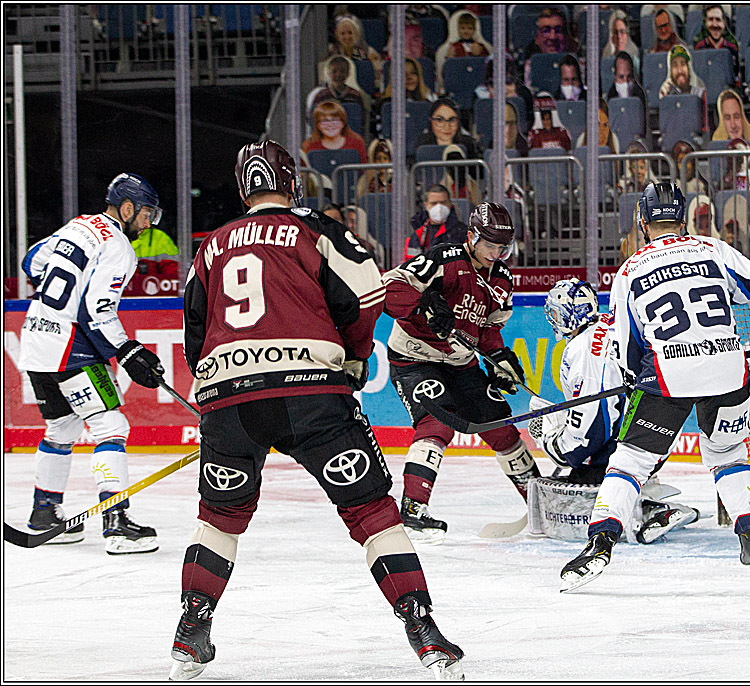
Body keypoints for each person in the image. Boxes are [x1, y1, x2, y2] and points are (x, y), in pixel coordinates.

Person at [173, 140, 463, 681]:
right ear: (292, 181)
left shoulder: (209, 245)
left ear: (244, 188)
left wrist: (220, 394)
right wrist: (353, 362)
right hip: (312, 393)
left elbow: (194, 333)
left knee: (219, 520)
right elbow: (367, 299)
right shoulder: (316, 229)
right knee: (373, 512)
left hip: (228, 399)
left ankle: (190, 632)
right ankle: (423, 632)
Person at [559, 182, 750, 592]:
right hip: (728, 369)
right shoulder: (713, 250)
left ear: (642, 220)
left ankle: (600, 543)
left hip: (668, 377)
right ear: (682, 217)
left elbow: (624, 342)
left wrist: (634, 377)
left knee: (631, 460)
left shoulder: (631, 269)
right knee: (726, 453)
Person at [17, 173, 164, 553]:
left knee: (61, 426)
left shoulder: (79, 225)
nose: (149, 223)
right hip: (70, 346)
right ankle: (116, 523)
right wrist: (127, 350)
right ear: (127, 208)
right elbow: (96, 311)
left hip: (35, 338)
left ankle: (44, 513)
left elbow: (31, 262)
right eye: (147, 214)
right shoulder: (119, 247)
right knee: (109, 424)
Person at [383, 202, 537, 543]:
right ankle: (413, 507)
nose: (496, 253)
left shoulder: (501, 279)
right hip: (414, 358)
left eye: (502, 247)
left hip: (460, 362)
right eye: (490, 245)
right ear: (471, 237)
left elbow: (489, 331)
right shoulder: (445, 258)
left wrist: (501, 360)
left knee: (499, 424)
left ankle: (540, 503)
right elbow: (389, 288)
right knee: (438, 420)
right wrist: (424, 303)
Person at [529, 278, 700, 544]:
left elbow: (592, 423)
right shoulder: (609, 324)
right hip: (660, 430)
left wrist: (561, 449)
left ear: (569, 314)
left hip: (632, 443)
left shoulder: (583, 348)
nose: (553, 320)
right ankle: (645, 496)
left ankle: (648, 511)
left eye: (555, 313)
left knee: (580, 488)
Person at [404, 184, 468, 260]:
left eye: (443, 202)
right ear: (426, 205)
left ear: (450, 203)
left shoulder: (463, 233)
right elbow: (410, 263)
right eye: (434, 203)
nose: (439, 207)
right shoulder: (418, 234)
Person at [306, 55, 372, 126]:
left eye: (342, 71)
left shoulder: (355, 95)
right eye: (334, 71)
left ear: (348, 73)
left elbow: (361, 120)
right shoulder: (321, 96)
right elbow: (312, 120)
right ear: (329, 74)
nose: (338, 74)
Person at [435, 9, 492, 91]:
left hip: (478, 85)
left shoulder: (481, 47)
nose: (466, 31)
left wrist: (480, 54)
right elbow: (446, 75)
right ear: (458, 29)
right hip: (459, 84)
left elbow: (488, 69)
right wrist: (449, 59)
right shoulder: (453, 47)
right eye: (463, 28)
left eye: (470, 28)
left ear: (474, 30)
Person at [415, 98, 482, 159]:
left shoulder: (468, 144)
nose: (447, 126)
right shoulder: (422, 146)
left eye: (452, 120)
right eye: (439, 120)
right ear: (431, 121)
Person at [301, 101, 367, 163]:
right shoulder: (308, 146)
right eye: (324, 121)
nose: (330, 124)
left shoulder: (356, 143)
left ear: (343, 123)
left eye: (335, 120)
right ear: (318, 125)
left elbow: (364, 172)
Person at [322, 203, 383, 268]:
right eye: (327, 219)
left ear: (342, 222)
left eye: (336, 219)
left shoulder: (361, 245)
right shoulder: (316, 244)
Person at [693, 5, 740, 84]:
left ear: (724, 23)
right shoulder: (700, 49)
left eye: (718, 20)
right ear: (705, 23)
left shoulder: (732, 49)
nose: (715, 25)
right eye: (711, 20)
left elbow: (736, 79)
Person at [606, 51, 647, 135]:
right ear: (615, 78)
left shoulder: (640, 97)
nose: (626, 82)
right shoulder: (608, 99)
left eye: (629, 77)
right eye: (621, 77)